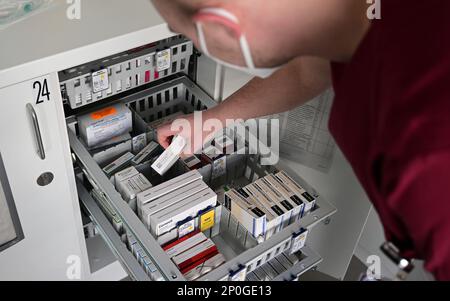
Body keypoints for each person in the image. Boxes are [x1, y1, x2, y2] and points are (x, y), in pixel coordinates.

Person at [152, 0, 450, 280]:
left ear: (220, 26)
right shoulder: (358, 21)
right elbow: (308, 71)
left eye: (179, 30)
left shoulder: (424, 148)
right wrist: (212, 120)